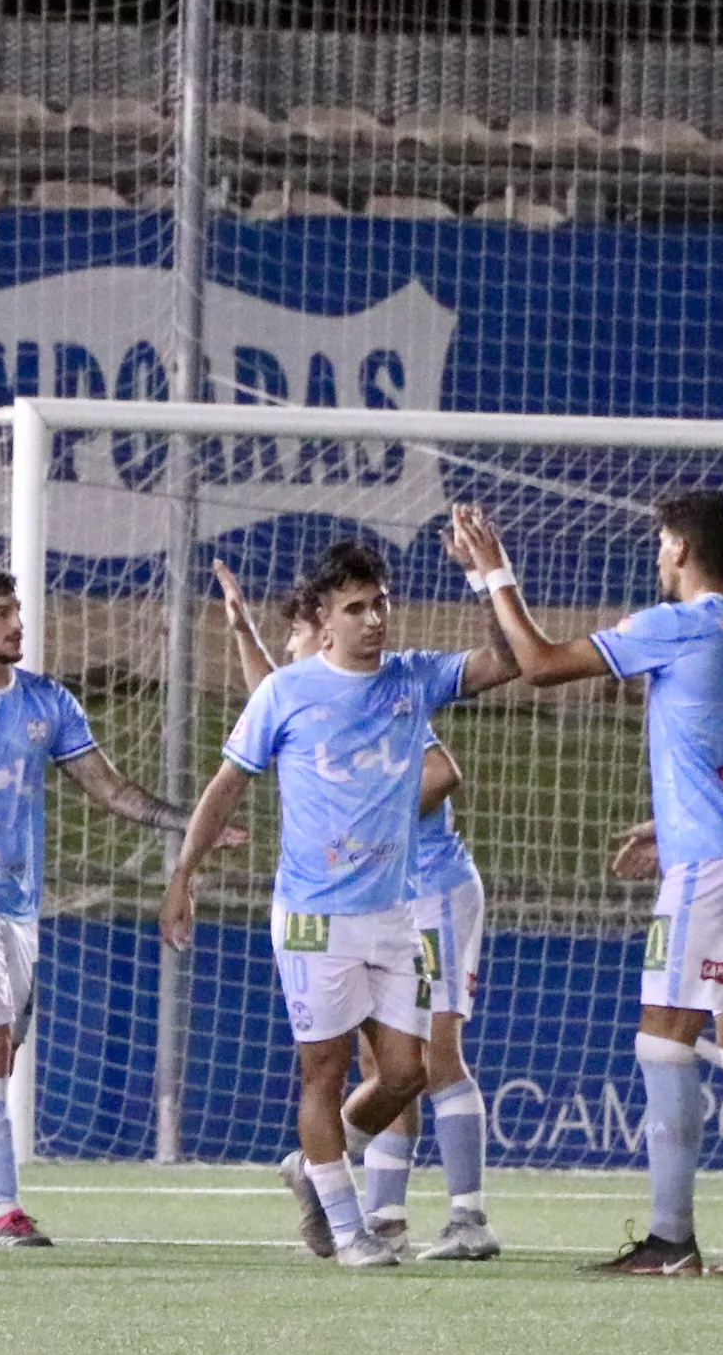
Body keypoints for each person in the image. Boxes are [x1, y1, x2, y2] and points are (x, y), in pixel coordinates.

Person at [459, 490, 723, 1277]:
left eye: (659, 543)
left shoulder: (674, 624)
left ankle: (670, 1239)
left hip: (711, 867)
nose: (656, 556)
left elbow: (541, 665)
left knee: (664, 1037)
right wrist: (671, 823)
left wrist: (493, 575)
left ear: (680, 549)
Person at [159, 532, 515, 1269]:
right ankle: (350, 1229)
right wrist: (183, 874)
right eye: (357, 607)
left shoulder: (411, 680)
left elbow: (505, 662)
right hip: (315, 916)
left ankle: (316, 1172)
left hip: (394, 913)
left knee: (407, 1073)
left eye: (380, 603)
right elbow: (228, 784)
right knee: (322, 1072)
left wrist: (488, 581)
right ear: (324, 619)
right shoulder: (285, 693)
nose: (374, 618)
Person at [0, 560, 204, 1246]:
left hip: (17, 911)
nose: (18, 622)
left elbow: (111, 790)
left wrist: (192, 822)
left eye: (17, 610)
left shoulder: (48, 703)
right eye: (0, 611)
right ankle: (5, 1214)